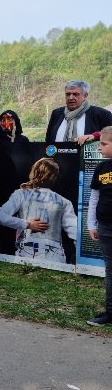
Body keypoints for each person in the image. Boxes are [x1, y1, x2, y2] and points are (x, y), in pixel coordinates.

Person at [0, 158, 77, 263]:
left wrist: (25, 224)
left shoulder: (21, 194)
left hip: (26, 252)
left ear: (34, 172)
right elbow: (75, 231)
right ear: (54, 177)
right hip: (55, 255)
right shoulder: (64, 202)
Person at [87, 127, 112, 325]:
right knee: (110, 271)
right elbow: (94, 198)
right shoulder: (101, 167)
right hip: (105, 226)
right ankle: (110, 312)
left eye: (104, 144)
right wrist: (91, 224)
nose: (99, 147)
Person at [45, 80, 112, 144]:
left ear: (85, 95)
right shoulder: (57, 113)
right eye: (68, 94)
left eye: (75, 94)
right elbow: (48, 140)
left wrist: (94, 136)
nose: (71, 98)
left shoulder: (101, 114)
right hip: (57, 152)